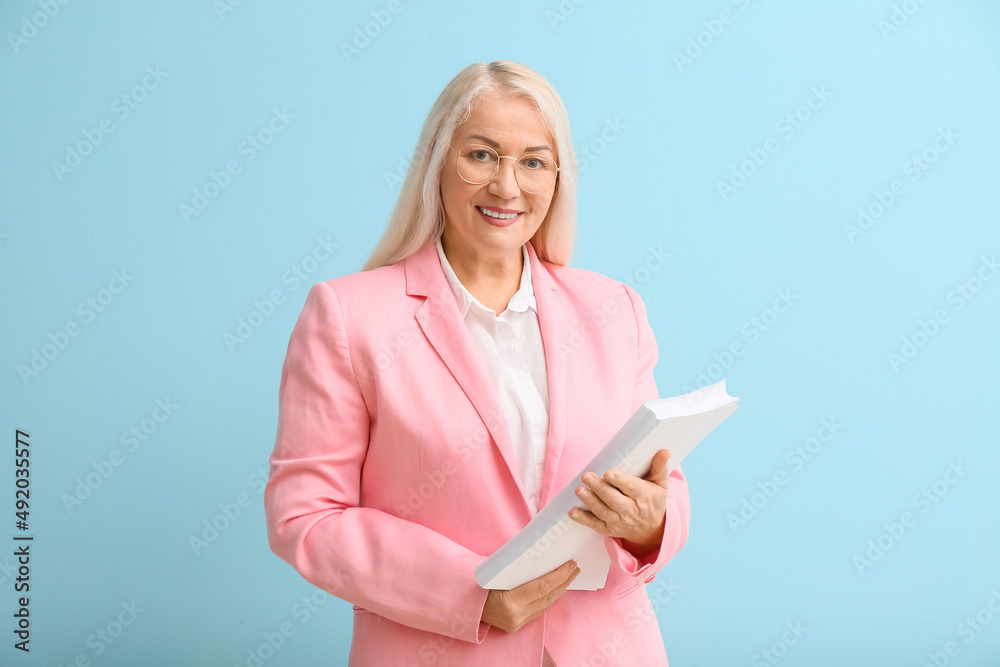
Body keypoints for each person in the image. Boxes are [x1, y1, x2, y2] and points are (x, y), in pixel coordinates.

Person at [264, 60, 691, 666]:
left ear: (558, 177)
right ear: (437, 162)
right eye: (482, 156)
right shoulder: (347, 316)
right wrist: (473, 592)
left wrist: (651, 524)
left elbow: (665, 484)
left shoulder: (613, 309)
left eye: (533, 161)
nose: (507, 187)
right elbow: (305, 517)